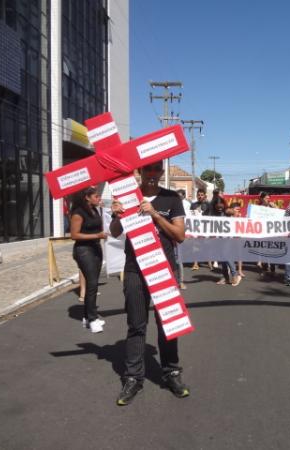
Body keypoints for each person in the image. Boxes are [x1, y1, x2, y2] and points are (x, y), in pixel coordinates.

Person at [110, 161, 189, 406]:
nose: (152, 174)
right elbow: (114, 232)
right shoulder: (127, 197)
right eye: (148, 170)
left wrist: (154, 214)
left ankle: (171, 372)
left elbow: (180, 236)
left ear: (162, 173)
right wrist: (116, 215)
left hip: (164, 269)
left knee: (168, 324)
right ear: (140, 172)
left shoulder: (171, 198)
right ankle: (133, 377)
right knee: (136, 324)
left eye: (157, 170)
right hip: (134, 269)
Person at [70, 186, 107, 333]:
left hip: (96, 248)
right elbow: (74, 235)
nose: (99, 198)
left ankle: (87, 317)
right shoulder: (78, 213)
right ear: (87, 197)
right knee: (91, 284)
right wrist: (97, 236)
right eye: (96, 196)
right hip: (83, 250)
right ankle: (92, 319)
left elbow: (99, 227)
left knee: (94, 283)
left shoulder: (95, 210)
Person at [208, 196, 241, 286]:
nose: (219, 208)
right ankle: (225, 277)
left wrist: (229, 211)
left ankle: (235, 275)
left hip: (227, 237)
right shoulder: (213, 213)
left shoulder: (226, 211)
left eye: (221, 206)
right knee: (222, 258)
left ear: (223, 205)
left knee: (226, 255)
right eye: (217, 207)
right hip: (218, 238)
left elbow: (232, 212)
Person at [190, 189, 210, 270]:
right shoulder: (193, 205)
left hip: (206, 228)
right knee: (196, 246)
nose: (200, 196)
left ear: (205, 195)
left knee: (207, 246)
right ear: (197, 196)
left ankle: (210, 264)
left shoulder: (209, 205)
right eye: (198, 195)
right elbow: (190, 216)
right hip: (196, 228)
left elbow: (211, 216)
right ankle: (195, 264)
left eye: (202, 195)